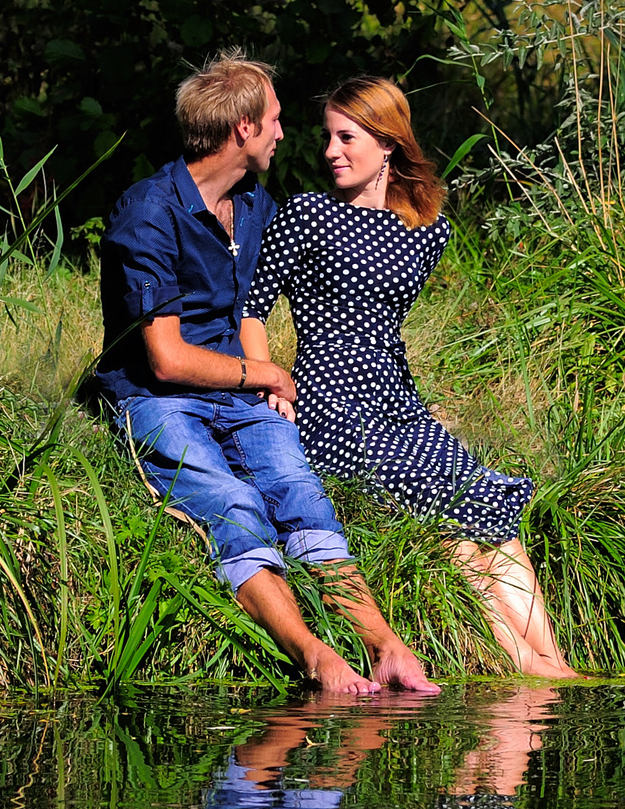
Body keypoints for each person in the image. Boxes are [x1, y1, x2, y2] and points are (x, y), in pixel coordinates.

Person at [90, 50, 440, 696]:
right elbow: (166, 357)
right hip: (159, 396)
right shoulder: (148, 213)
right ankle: (312, 654)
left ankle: (386, 645)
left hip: (239, 393)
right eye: (275, 119)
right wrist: (267, 373)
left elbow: (271, 300)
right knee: (234, 503)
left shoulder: (254, 206)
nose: (285, 133)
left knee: (300, 494)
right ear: (244, 129)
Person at [241, 77, 580, 679]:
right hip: (330, 398)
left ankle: (550, 667)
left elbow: (385, 325)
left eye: (347, 137)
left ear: (389, 144)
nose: (330, 151)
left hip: (397, 398)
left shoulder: (429, 231)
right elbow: (252, 308)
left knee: (480, 495)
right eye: (327, 137)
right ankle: (532, 677)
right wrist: (271, 383)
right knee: (445, 504)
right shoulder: (308, 214)